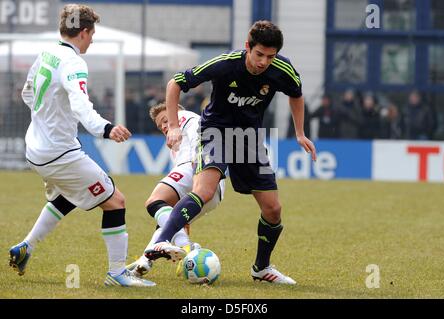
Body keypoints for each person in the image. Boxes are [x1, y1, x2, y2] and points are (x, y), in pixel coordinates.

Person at [145, 20, 316, 285]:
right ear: (248, 47)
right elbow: (175, 84)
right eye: (259, 54)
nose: (263, 62)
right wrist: (174, 127)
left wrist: (300, 132)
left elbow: (296, 94)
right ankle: (161, 242)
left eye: (270, 57)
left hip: (249, 138)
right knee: (204, 190)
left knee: (273, 210)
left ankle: (261, 268)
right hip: (215, 132)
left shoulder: (282, 69)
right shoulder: (224, 64)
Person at [8, 4, 155, 287]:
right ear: (84, 32)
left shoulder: (46, 54)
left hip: (36, 150)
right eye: (92, 33)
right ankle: (117, 273)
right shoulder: (73, 63)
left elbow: (27, 93)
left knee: (67, 196)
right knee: (116, 202)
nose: (92, 39)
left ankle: (26, 246)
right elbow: (81, 106)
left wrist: (49, 116)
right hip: (58, 152)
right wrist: (107, 129)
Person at [126, 102, 225, 277]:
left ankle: (185, 245)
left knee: (154, 202)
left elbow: (201, 131)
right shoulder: (176, 143)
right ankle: (145, 260)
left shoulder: (183, 117)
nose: (164, 126)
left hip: (196, 166)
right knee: (170, 219)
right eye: (160, 125)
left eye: (165, 120)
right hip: (214, 191)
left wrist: (199, 163)